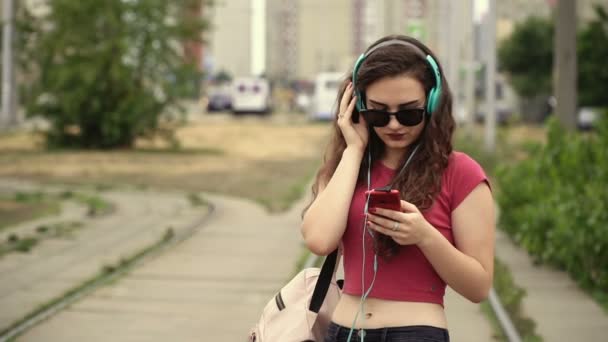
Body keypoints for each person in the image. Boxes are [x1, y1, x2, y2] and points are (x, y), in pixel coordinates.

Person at [301, 35, 495, 342]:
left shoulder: (461, 173)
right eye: (378, 113)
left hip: (415, 334)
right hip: (344, 332)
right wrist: (353, 150)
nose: (393, 125)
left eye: (409, 113)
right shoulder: (346, 167)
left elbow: (478, 287)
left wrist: (424, 236)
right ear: (359, 107)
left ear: (432, 103)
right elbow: (319, 239)